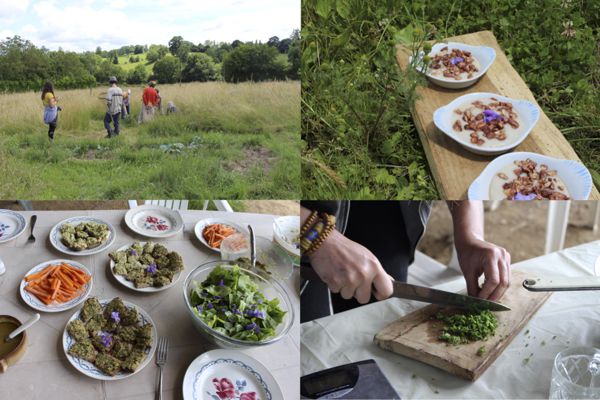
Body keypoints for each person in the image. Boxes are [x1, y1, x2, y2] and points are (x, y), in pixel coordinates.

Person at [300, 201, 511, 322]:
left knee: (382, 318)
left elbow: (457, 166)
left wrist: (471, 235)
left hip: (391, 212)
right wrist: (317, 237)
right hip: (297, 229)